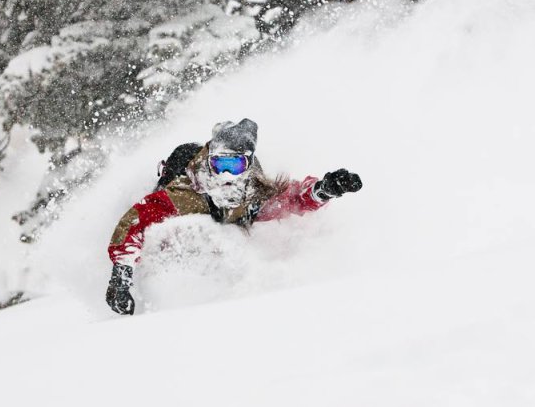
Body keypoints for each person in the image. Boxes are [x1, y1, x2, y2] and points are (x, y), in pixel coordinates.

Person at [105, 119, 362, 315]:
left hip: (216, 258)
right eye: (220, 165)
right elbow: (136, 221)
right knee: (192, 227)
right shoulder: (184, 193)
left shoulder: (252, 195)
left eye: (235, 166)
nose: (226, 176)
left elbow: (292, 199)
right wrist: (122, 274)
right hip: (173, 249)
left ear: (248, 165)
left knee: (233, 229)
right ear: (209, 161)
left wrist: (324, 190)